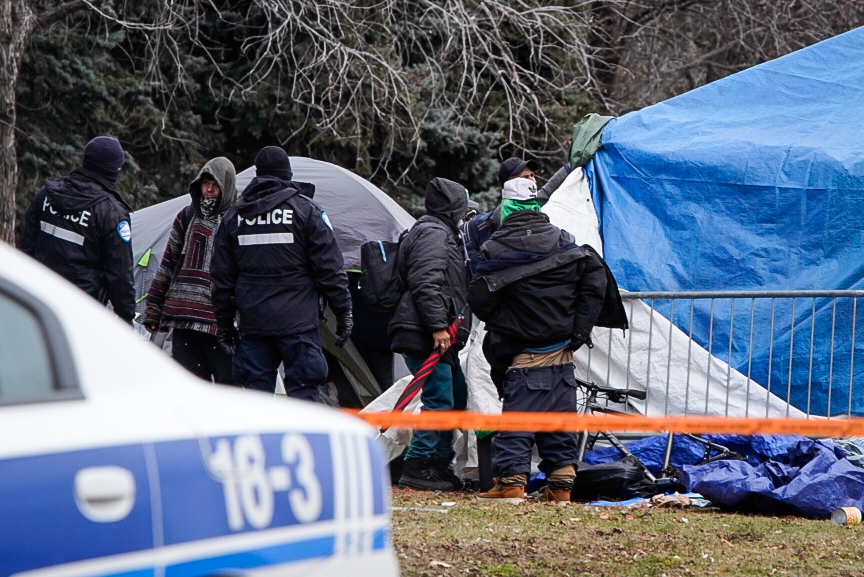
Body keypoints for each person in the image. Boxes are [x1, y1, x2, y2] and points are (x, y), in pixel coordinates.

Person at [468, 177, 628, 504]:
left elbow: (482, 300)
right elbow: (594, 282)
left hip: (526, 357)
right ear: (536, 207)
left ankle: (511, 483)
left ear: (507, 208)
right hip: (563, 354)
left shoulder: (496, 247)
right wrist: (579, 331)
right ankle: (561, 486)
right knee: (559, 423)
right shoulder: (563, 241)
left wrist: (509, 324)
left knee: (517, 422)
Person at [209, 146, 353, 400]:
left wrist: (224, 323)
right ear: (287, 174)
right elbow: (330, 269)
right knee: (304, 398)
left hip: (253, 323)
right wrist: (344, 312)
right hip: (298, 324)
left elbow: (221, 278)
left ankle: (261, 442)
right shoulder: (307, 211)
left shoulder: (234, 217)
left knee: (257, 402)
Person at [389, 177, 472, 491]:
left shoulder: (436, 231)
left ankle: (438, 464)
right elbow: (426, 282)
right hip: (424, 330)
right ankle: (418, 465)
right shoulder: (433, 233)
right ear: (453, 206)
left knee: (456, 394)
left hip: (435, 330)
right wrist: (438, 326)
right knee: (439, 398)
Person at [142, 157, 238, 385]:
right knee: (189, 389)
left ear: (227, 184)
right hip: (183, 318)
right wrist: (154, 308)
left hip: (218, 323)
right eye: (205, 183)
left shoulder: (238, 220)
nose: (209, 189)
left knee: (229, 390)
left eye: (215, 183)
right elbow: (167, 264)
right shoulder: (186, 216)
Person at [19, 136, 135, 324]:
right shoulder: (112, 214)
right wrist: (126, 318)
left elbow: (26, 248)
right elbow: (120, 273)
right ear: (115, 169)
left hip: (36, 300)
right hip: (80, 309)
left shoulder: (46, 195)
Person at [462, 156, 572, 274]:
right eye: (525, 177)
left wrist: (571, 166)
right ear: (509, 184)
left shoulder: (532, 205)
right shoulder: (491, 220)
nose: (533, 181)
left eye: (532, 175)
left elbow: (548, 190)